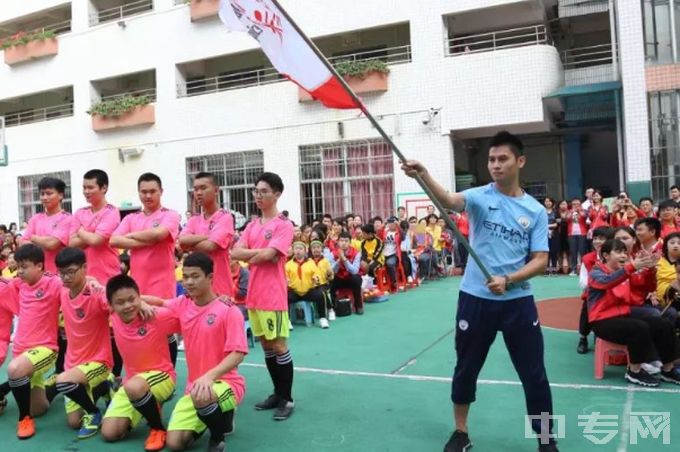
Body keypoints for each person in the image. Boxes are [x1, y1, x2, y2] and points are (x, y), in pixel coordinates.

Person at [402, 131, 558, 452]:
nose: (496, 166)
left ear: (520, 161)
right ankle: (461, 433)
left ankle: (546, 440)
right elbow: (448, 200)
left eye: (503, 159)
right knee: (466, 368)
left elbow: (541, 261)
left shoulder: (535, 211)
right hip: (475, 300)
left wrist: (509, 279)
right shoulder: (478, 197)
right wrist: (423, 174)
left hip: (518, 303)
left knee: (534, 375)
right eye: (491, 160)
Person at [143, 253, 248, 452]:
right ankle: (211, 416)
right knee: (175, 444)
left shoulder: (229, 310)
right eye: (185, 276)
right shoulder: (183, 303)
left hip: (225, 383)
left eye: (195, 276)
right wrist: (138, 301)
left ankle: (217, 437)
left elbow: (238, 353)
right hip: (195, 388)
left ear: (210, 277)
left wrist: (209, 377)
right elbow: (159, 301)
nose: (188, 282)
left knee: (203, 396)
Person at [230, 172, 295, 420]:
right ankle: (277, 393)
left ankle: (287, 399)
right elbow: (236, 252)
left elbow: (269, 256)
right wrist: (259, 254)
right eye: (256, 191)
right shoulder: (252, 225)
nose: (258, 195)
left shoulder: (283, 225)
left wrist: (252, 255)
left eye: (264, 191)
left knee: (278, 345)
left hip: (272, 295)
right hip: (254, 296)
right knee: (267, 346)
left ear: (277, 194)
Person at [102, 275, 180, 452]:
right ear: (111, 306)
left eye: (132, 299)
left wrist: (217, 301)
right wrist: (139, 301)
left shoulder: (155, 316)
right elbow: (93, 283)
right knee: (109, 433)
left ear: (139, 296)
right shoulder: (113, 315)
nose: (128, 305)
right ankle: (148, 404)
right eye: (120, 302)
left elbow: (189, 314)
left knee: (134, 387)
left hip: (162, 376)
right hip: (134, 382)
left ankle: (158, 428)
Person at [110, 172, 181, 366]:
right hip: (138, 284)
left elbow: (159, 234)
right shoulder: (132, 217)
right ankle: (147, 370)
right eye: (144, 192)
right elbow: (114, 239)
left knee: (164, 329)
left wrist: (132, 238)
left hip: (163, 284)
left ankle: (168, 375)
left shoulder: (170, 215)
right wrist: (145, 240)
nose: (148, 196)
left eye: (152, 191)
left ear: (161, 192)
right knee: (141, 328)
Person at [588, 239, 680, 387]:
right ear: (605, 255)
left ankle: (667, 369)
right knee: (638, 327)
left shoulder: (625, 271)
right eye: (618, 252)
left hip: (623, 314)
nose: (624, 255)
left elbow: (646, 287)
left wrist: (651, 270)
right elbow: (607, 282)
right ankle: (634, 371)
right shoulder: (596, 273)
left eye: (625, 252)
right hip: (601, 321)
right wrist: (631, 267)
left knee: (662, 323)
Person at [54, 247, 113, 439]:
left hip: (98, 361)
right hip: (74, 363)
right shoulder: (62, 291)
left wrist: (142, 302)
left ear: (85, 267)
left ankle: (94, 412)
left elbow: (119, 303)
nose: (65, 277)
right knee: (73, 422)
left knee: (62, 381)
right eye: (61, 273)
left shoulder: (96, 292)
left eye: (71, 272)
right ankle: (104, 387)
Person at [5, 244, 62, 439]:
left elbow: (77, 285)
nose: (19, 271)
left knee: (14, 370)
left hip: (45, 348)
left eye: (24, 266)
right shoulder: (19, 284)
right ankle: (56, 385)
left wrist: (93, 282)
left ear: (39, 266)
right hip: (21, 350)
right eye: (17, 266)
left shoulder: (53, 283)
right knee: (40, 408)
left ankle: (25, 418)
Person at [179, 172, 235, 297]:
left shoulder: (225, 217)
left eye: (203, 188)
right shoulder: (194, 220)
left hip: (220, 289)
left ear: (216, 190)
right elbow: (182, 241)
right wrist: (207, 236)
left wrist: (191, 244)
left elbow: (211, 246)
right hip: (197, 291)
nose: (198, 193)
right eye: (195, 189)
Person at [69, 169, 121, 285]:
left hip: (107, 275)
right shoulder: (80, 212)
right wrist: (91, 234)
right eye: (84, 188)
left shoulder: (111, 211)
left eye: (91, 188)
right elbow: (72, 243)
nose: (86, 191)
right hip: (85, 277)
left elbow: (96, 241)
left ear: (104, 188)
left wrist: (80, 230)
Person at [19, 177, 72, 274]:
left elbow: (52, 244)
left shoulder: (67, 218)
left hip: (58, 275)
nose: (44, 197)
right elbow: (22, 244)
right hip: (36, 276)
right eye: (42, 194)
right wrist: (43, 242)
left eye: (49, 193)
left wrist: (33, 237)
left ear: (60, 195)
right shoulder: (35, 218)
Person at [576, 227, 613, 354]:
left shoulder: (615, 256)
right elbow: (582, 280)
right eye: (595, 238)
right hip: (592, 294)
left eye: (601, 239)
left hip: (611, 293)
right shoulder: (587, 258)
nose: (597, 241)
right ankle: (583, 338)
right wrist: (597, 285)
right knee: (586, 312)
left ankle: (602, 336)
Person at [286, 242, 330, 329]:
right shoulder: (288, 265)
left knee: (320, 294)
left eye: (300, 249)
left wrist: (315, 278)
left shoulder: (311, 263)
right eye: (296, 249)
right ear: (293, 251)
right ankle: (287, 321)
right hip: (294, 291)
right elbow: (285, 276)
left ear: (305, 251)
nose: (298, 251)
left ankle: (323, 318)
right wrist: (286, 281)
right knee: (284, 297)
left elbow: (317, 274)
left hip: (308, 291)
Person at [330, 231, 364, 314]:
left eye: (346, 241)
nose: (343, 243)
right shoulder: (332, 253)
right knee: (330, 281)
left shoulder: (356, 253)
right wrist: (339, 260)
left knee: (356, 279)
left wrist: (344, 260)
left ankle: (358, 305)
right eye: (341, 241)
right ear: (338, 242)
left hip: (351, 278)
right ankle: (333, 307)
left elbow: (355, 271)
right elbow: (332, 271)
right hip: (339, 278)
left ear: (350, 242)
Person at [567, 198, 588, 276]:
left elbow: (584, 216)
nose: (575, 206)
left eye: (577, 204)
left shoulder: (583, 211)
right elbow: (566, 218)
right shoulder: (569, 211)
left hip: (582, 233)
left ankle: (584, 269)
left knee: (582, 251)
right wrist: (572, 211)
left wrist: (579, 210)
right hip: (571, 234)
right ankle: (574, 269)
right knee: (573, 252)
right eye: (574, 204)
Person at [544, 197, 559, 276]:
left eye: (549, 201)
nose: (548, 202)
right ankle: (546, 270)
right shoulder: (541, 212)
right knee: (546, 252)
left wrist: (548, 225)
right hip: (544, 235)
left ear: (552, 202)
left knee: (554, 252)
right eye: (546, 201)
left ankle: (554, 269)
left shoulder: (556, 212)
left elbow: (557, 223)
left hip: (554, 234)